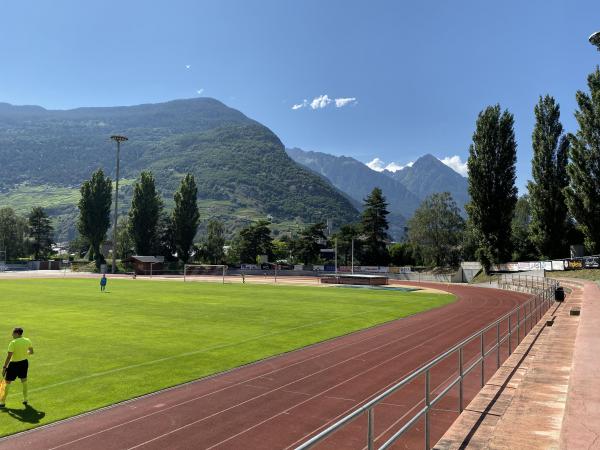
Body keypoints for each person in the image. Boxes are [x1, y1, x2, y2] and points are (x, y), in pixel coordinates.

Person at [0, 328, 33, 407]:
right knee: (24, 381)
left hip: (14, 364)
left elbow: (9, 357)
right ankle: (25, 399)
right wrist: (23, 354)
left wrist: (4, 367)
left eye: (13, 333)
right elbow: (31, 352)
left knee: (7, 382)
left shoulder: (13, 343)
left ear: (17, 333)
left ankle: (2, 402)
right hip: (24, 363)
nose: (12, 335)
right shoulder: (28, 340)